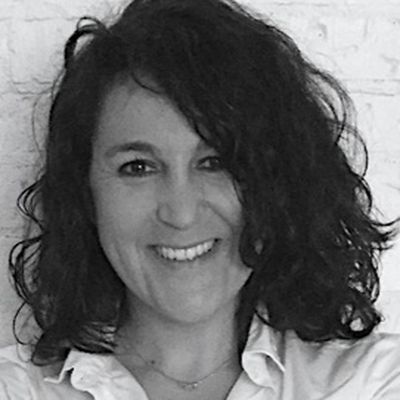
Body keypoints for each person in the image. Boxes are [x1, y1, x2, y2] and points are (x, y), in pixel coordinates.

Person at [1, 0, 399, 398]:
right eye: (138, 167)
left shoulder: (374, 382)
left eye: (216, 162)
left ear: (279, 183)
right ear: (85, 193)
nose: (181, 213)